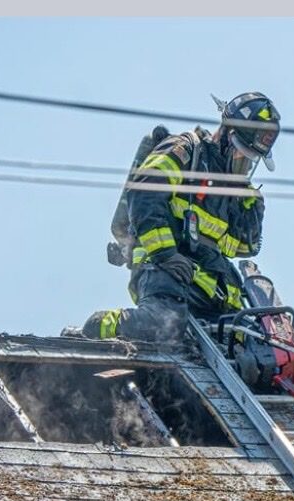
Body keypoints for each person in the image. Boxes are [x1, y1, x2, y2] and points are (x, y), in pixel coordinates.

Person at [83, 92, 279, 344]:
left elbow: (241, 248)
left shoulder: (232, 191)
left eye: (250, 162)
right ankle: (101, 325)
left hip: (209, 287)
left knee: (249, 341)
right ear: (225, 137)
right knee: (164, 326)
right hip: (164, 272)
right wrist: (166, 254)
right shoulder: (187, 151)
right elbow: (145, 191)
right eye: (242, 156)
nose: (244, 167)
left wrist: (252, 214)